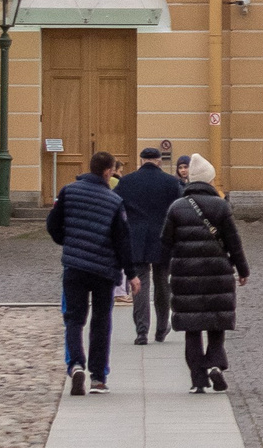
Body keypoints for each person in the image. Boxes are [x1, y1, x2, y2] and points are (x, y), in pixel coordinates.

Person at [46, 149, 137, 396]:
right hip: (103, 270)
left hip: (74, 266)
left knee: (74, 318)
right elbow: (122, 241)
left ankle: (75, 364)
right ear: (108, 171)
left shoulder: (68, 191)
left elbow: (52, 224)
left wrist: (68, 242)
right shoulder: (114, 201)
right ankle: (98, 377)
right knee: (101, 321)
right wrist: (131, 273)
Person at [162, 153, 250, 393]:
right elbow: (234, 243)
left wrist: (166, 269)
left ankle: (197, 380)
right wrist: (243, 270)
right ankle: (214, 364)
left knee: (192, 329)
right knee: (216, 324)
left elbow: (165, 243)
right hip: (217, 273)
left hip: (185, 276)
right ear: (210, 180)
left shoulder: (177, 207)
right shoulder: (221, 206)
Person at [115, 148, 182, 346]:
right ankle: (161, 328)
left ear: (141, 160)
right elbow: (179, 209)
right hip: (163, 237)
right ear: (159, 161)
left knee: (139, 283)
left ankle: (141, 331)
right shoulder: (172, 182)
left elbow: (115, 206)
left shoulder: (126, 181)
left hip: (136, 238)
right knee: (162, 283)